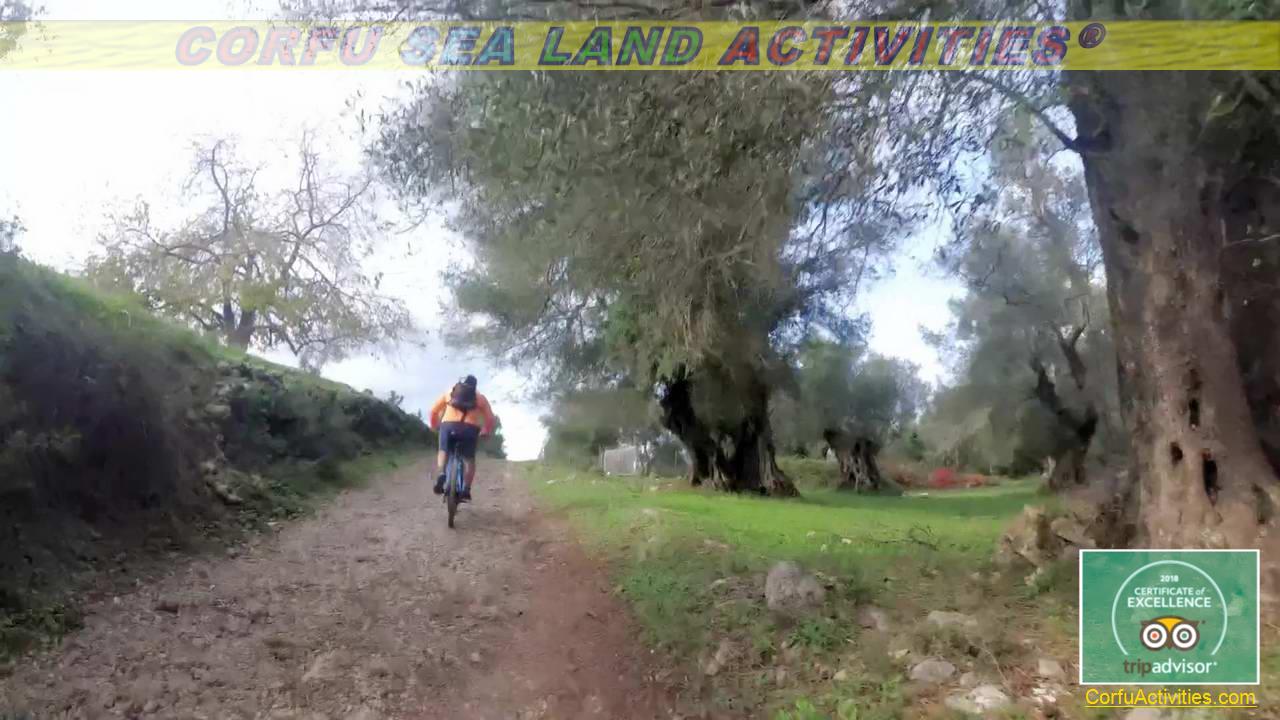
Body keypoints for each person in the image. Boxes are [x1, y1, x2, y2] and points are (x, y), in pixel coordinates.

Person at [428, 375, 496, 503]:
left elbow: (433, 411)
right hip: (469, 430)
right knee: (469, 460)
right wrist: (486, 431)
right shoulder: (480, 398)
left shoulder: (450, 392)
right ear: (475, 387)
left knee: (443, 450)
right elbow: (490, 418)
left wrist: (434, 425)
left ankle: (442, 473)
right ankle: (466, 489)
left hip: (448, 426)